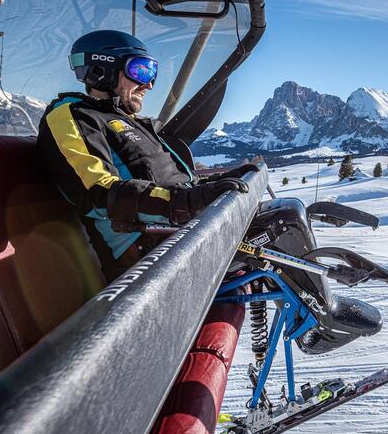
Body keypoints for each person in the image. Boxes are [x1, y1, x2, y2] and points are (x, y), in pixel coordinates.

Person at [37, 30, 255, 281]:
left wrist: (211, 185)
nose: (149, 84)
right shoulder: (73, 116)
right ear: (101, 69)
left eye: (152, 73)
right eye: (140, 71)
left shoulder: (132, 123)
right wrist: (185, 203)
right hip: (145, 255)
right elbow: (97, 193)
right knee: (282, 225)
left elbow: (177, 185)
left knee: (278, 219)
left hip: (181, 236)